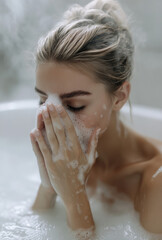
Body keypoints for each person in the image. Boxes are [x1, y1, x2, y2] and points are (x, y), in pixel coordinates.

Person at [29, 0, 162, 237]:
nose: (54, 119)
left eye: (74, 105)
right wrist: (48, 186)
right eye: (43, 101)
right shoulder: (69, 160)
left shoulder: (155, 181)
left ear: (119, 97)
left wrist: (74, 197)